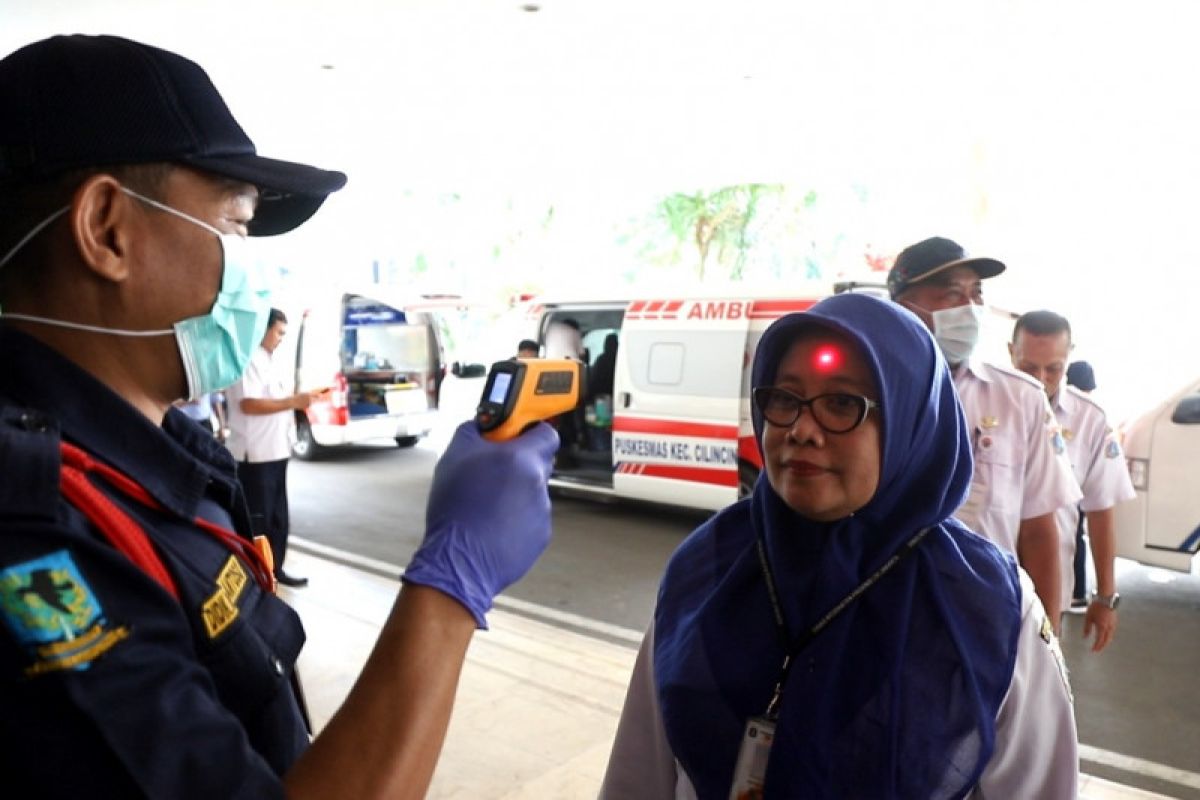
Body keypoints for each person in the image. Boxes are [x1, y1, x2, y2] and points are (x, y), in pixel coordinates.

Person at [0, 34, 558, 798]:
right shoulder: (36, 536)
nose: (253, 268)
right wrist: (450, 587)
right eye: (235, 226)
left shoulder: (148, 459)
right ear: (107, 229)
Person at [600, 293, 1077, 799]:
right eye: (784, 398)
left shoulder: (989, 609)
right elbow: (640, 772)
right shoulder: (709, 567)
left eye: (843, 403)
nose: (801, 430)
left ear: (909, 421)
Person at [888, 236, 1080, 623]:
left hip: (985, 615)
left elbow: (1039, 529)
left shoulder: (1019, 398)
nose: (971, 307)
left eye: (975, 293)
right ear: (903, 304)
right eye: (951, 294)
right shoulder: (872, 392)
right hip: (889, 610)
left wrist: (1048, 637)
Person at [1010, 314, 1134, 652]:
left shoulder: (1091, 421)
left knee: (1041, 685)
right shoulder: (984, 406)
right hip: (984, 580)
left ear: (1069, 357)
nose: (1040, 380)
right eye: (1028, 368)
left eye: (1052, 369)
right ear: (1011, 353)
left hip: (1048, 587)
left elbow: (1100, 510)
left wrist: (1105, 597)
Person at [224, 308, 320, 588]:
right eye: (278, 332)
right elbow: (249, 404)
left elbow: (277, 399)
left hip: (278, 448)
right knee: (259, 518)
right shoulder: (246, 359)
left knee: (278, 516)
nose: (280, 338)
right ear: (262, 329)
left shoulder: (270, 359)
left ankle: (276, 569)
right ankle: (257, 573)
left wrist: (298, 400)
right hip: (255, 453)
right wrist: (293, 402)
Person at [1066, 359, 1097, 612]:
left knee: (1072, 536)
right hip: (1080, 487)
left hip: (1068, 487)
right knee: (1077, 537)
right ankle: (1077, 593)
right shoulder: (1094, 411)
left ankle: (1075, 592)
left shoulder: (1064, 406)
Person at [589, 332, 619, 399]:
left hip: (602, 396)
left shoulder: (601, 359)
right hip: (617, 394)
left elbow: (595, 380)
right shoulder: (621, 360)